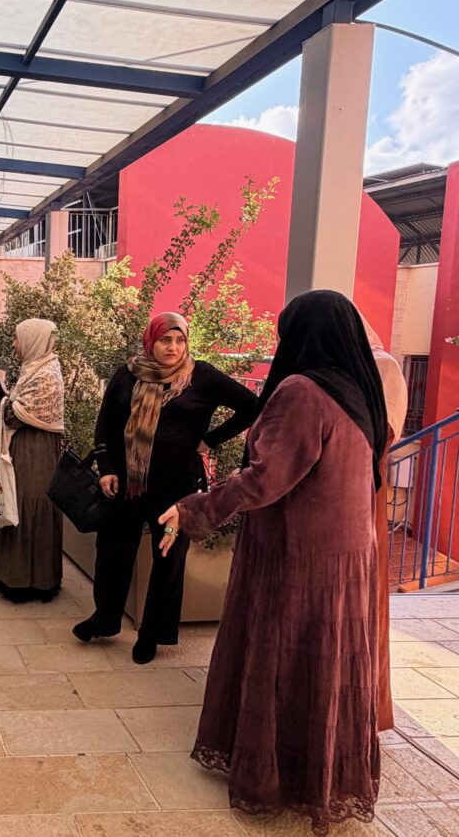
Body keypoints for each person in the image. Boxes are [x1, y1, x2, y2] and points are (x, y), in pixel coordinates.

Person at [157, 290, 386, 835]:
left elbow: (265, 479)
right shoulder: (358, 390)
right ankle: (317, 773)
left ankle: (277, 776)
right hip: (347, 554)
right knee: (323, 662)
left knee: (285, 657)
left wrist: (193, 509)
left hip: (298, 555)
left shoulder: (302, 392)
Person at [72, 312, 257, 663]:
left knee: (168, 559)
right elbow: (106, 423)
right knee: (112, 550)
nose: (173, 347)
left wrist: (210, 440)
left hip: (177, 487)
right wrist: (106, 468)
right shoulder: (129, 374)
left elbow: (252, 406)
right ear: (151, 341)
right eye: (165, 340)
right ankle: (106, 618)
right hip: (127, 482)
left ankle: (151, 635)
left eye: (179, 340)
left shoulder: (201, 376)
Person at [0, 319, 66, 602]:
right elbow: (16, 408)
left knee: (26, 507)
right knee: (14, 503)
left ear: (33, 340)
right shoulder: (34, 369)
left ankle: (32, 582)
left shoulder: (45, 375)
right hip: (26, 451)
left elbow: (13, 414)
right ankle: (15, 577)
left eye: (17, 338)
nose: (14, 344)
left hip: (36, 455)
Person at [362, 315, 409, 733]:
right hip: (343, 480)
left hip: (361, 483)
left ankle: (363, 701)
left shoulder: (383, 365)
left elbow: (383, 433)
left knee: (363, 588)